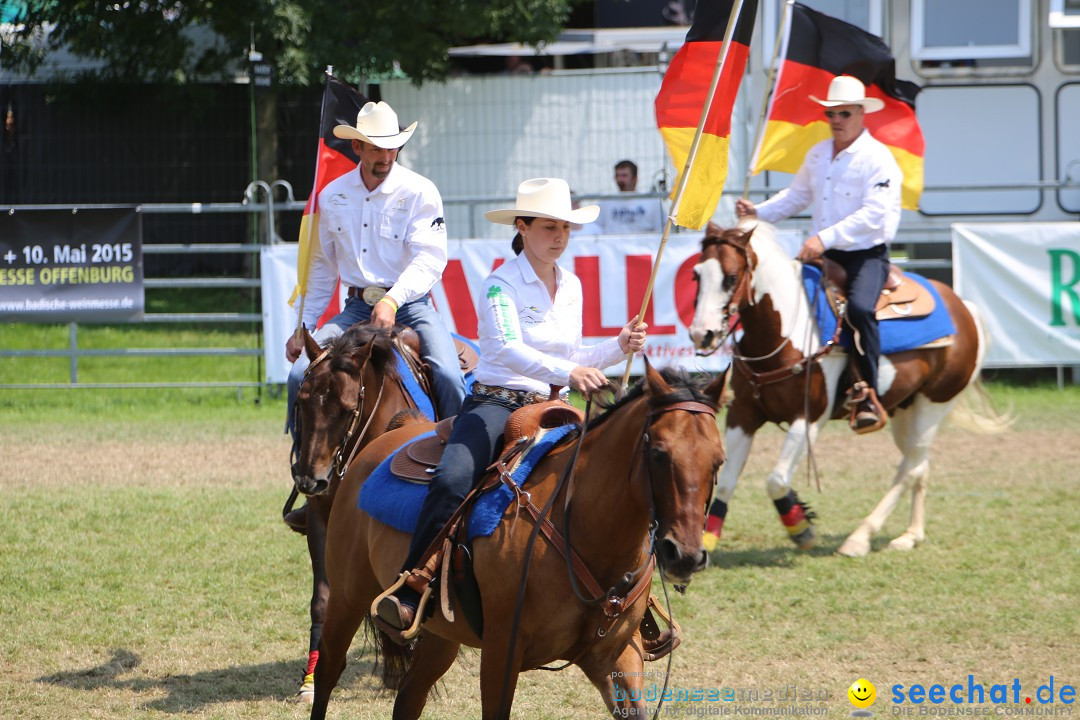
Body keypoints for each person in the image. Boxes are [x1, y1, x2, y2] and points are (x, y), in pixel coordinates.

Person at [372, 177, 648, 642]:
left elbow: (576, 353)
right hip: (497, 404)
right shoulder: (499, 284)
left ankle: (632, 593)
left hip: (553, 404)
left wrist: (618, 347)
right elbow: (507, 349)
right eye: (548, 227)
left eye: (565, 227)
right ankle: (413, 582)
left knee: (619, 473)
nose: (559, 236)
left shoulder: (573, 286)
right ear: (522, 226)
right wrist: (571, 370)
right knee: (453, 477)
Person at [283, 101, 467, 528]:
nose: (385, 157)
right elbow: (322, 270)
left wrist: (393, 299)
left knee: (448, 372)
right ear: (359, 148)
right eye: (376, 148)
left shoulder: (420, 191)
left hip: (412, 305)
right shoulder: (333, 196)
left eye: (392, 148)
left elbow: (430, 261)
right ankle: (309, 482)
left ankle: (459, 475)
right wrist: (304, 327)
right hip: (354, 309)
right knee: (298, 378)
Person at [734, 75, 901, 434]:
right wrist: (758, 213)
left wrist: (823, 238)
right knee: (782, 299)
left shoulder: (878, 159)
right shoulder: (818, 155)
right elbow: (796, 196)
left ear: (860, 113)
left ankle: (867, 390)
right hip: (824, 253)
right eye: (831, 114)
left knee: (859, 309)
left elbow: (874, 214)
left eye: (843, 113)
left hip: (865, 255)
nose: (836, 120)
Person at [595, 159, 665, 235]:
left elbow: (661, 229)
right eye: (617, 175)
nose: (620, 179)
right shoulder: (605, 202)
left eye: (624, 176)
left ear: (635, 178)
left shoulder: (652, 203)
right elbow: (597, 228)